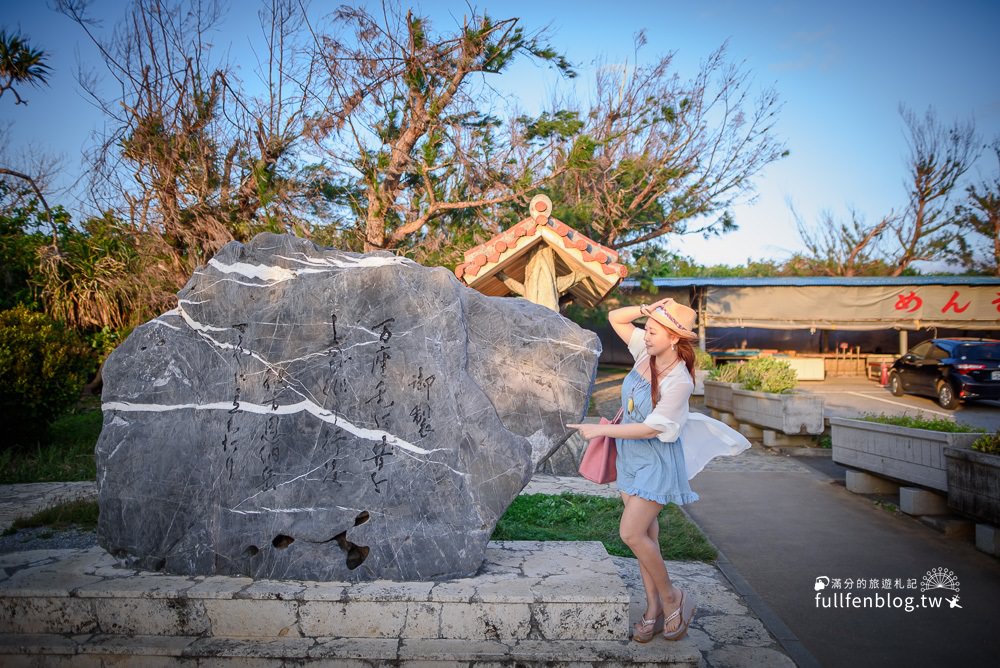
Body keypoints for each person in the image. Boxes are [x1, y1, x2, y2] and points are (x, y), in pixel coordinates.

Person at [567, 298, 750, 642]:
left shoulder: (679, 381)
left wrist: (602, 429)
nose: (645, 335)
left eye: (653, 331)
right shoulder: (644, 353)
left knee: (631, 533)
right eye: (647, 330)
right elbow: (614, 317)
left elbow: (653, 428)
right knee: (646, 538)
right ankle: (652, 609)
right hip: (629, 458)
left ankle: (672, 597)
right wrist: (647, 308)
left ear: (673, 338)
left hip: (657, 462)